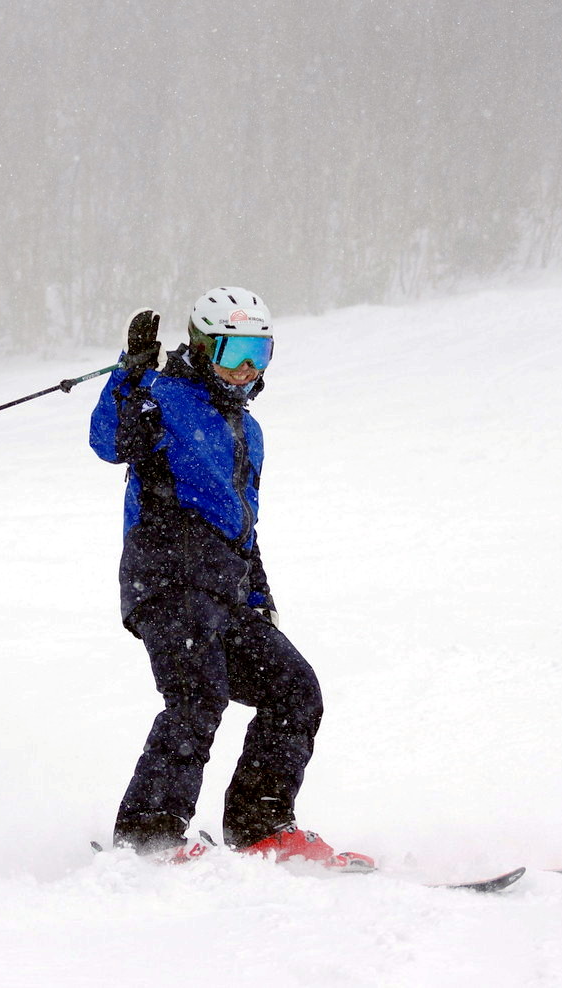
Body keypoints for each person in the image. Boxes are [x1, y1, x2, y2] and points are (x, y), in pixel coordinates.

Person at [89, 287, 373, 871]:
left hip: (226, 589)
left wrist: (259, 595)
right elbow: (111, 441)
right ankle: (149, 836)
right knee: (197, 697)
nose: (245, 369)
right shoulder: (162, 398)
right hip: (166, 577)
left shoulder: (250, 430)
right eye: (233, 351)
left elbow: (244, 524)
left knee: (295, 691)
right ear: (201, 346)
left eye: (258, 353)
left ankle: (261, 824)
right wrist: (131, 373)